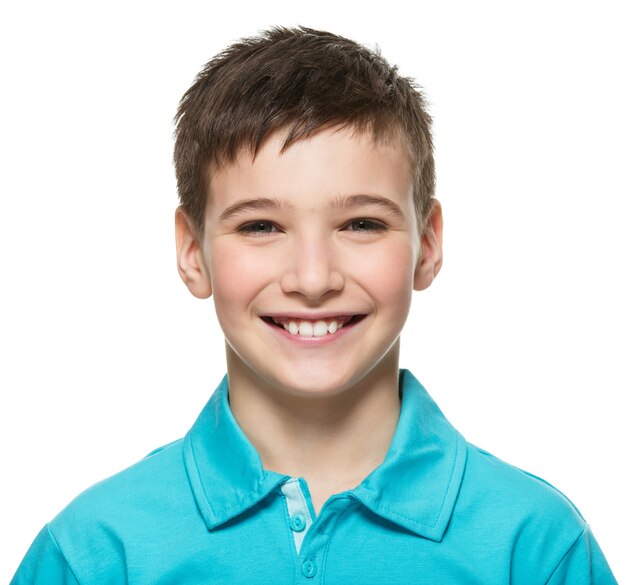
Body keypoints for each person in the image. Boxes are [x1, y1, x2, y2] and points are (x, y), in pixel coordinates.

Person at [11, 26, 617, 584]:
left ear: (428, 245)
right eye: (260, 227)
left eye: (359, 223)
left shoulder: (535, 545)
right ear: (193, 253)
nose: (312, 277)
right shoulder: (96, 552)